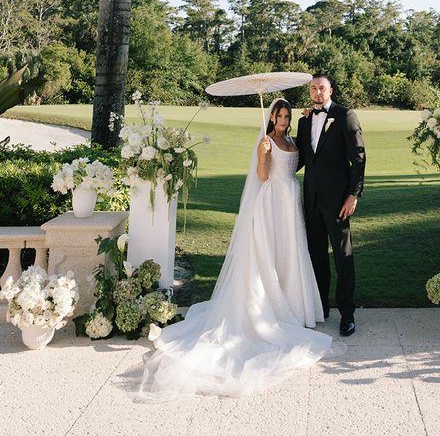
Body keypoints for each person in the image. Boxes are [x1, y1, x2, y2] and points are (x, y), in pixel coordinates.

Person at [138, 99, 333, 399]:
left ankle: (294, 305)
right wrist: (263, 156)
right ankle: (272, 307)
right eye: (279, 115)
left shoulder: (292, 140)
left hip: (290, 203)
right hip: (272, 201)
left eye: (286, 115)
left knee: (291, 255)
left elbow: (300, 160)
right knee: (269, 254)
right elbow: (263, 177)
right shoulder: (266, 143)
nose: (283, 119)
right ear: (271, 117)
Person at [296, 74, 366, 337]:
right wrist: (273, 152)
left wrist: (353, 195)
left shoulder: (345, 115)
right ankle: (320, 308)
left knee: (342, 258)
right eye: (313, 89)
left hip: (338, 202)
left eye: (321, 88)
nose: (317, 92)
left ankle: (347, 315)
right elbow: (302, 158)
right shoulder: (303, 121)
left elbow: (358, 158)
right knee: (316, 257)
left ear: (330, 90)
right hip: (311, 200)